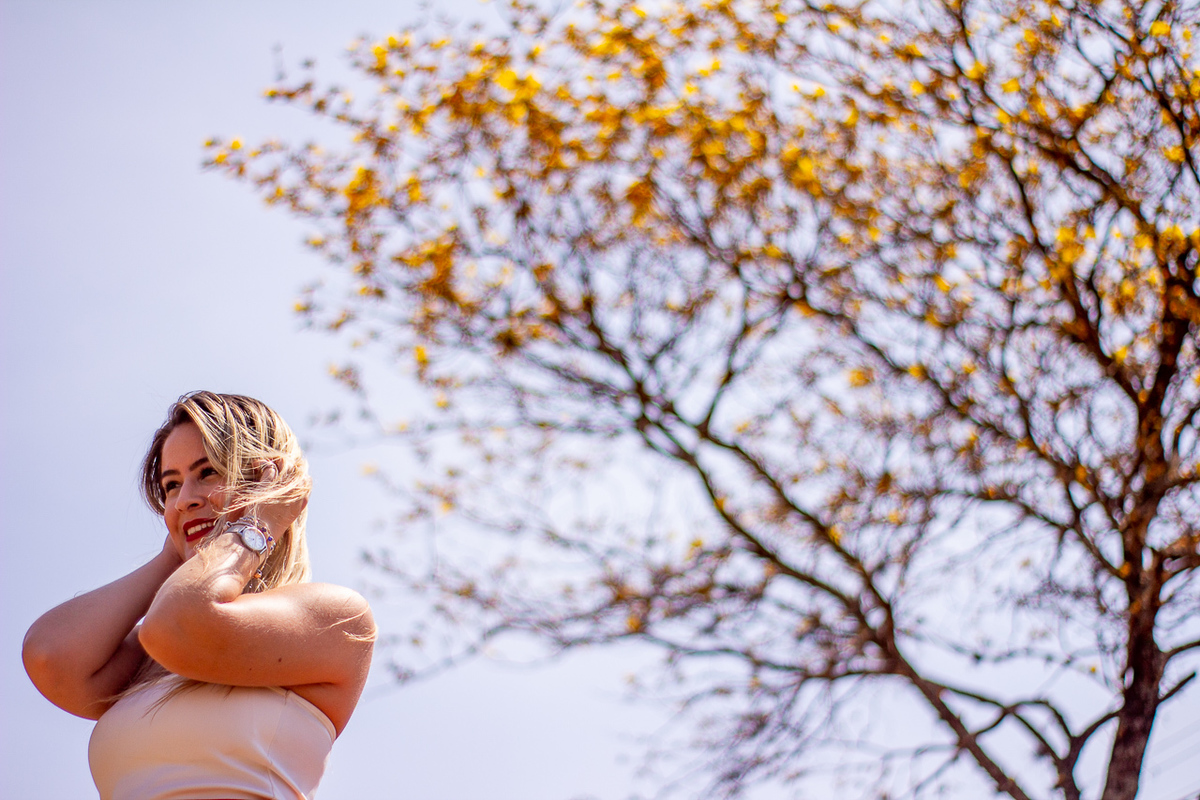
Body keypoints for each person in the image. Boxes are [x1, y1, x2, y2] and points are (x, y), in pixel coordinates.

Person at [22, 391, 376, 800]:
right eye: (171, 486)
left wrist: (259, 520)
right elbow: (49, 655)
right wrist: (177, 547)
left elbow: (182, 626)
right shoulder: (152, 647)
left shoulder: (337, 619)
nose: (185, 498)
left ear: (270, 483)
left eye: (207, 473)